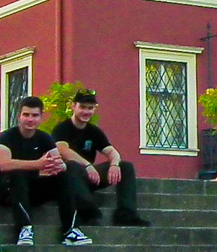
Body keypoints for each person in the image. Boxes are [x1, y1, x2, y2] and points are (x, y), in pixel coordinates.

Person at [0, 96, 92, 246]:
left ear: (40, 117)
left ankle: (71, 230)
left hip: (32, 190)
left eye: (34, 115)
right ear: (19, 116)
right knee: (17, 173)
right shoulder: (6, 137)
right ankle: (24, 228)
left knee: (65, 175)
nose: (30, 119)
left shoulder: (44, 138)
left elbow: (58, 161)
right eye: (26, 115)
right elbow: (4, 164)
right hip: (6, 191)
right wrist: (38, 164)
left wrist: (59, 166)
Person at [51, 89, 149, 226]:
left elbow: (112, 152)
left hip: (89, 177)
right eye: (83, 107)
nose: (86, 112)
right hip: (67, 179)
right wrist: (87, 165)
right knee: (71, 166)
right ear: (73, 106)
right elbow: (62, 150)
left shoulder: (94, 131)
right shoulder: (62, 128)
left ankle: (126, 214)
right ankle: (87, 212)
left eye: (90, 108)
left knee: (125, 167)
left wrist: (114, 164)